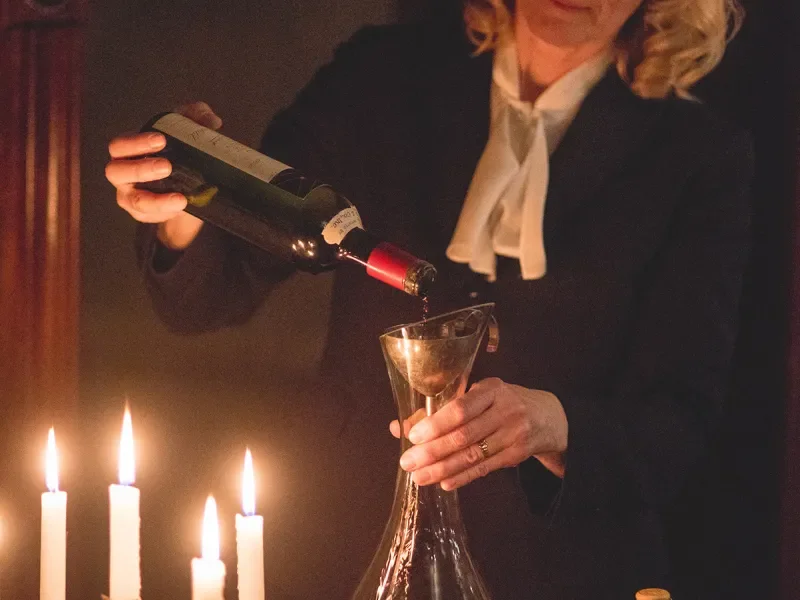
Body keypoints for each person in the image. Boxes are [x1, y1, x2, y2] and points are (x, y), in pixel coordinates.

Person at [105, 0, 753, 598]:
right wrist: (185, 205)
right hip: (349, 549)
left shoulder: (699, 153)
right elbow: (208, 297)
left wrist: (552, 424)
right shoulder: (383, 73)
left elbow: (678, 423)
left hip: (561, 570)